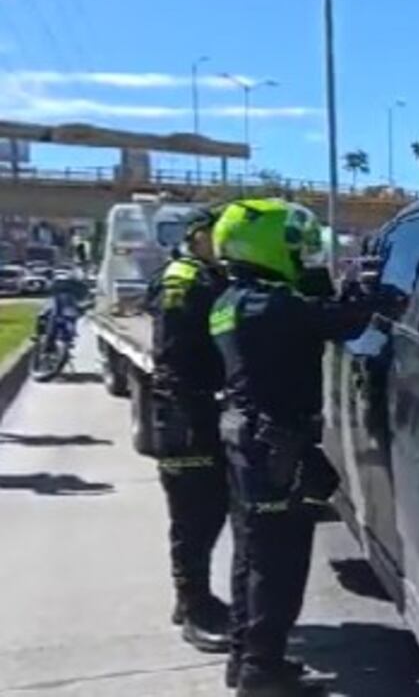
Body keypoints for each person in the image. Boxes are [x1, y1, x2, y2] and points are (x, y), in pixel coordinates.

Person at [211, 199, 372, 696]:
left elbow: (303, 315)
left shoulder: (233, 300)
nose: (303, 255)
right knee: (277, 564)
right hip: (273, 445)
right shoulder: (271, 305)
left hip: (247, 440)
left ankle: (246, 659)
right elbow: (345, 322)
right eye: (294, 247)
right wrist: (369, 290)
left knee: (250, 557)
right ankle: (263, 672)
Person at [145, 206, 231, 654]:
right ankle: (193, 606)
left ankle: (194, 596)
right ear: (197, 236)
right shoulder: (184, 280)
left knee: (211, 509)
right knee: (193, 515)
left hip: (197, 408)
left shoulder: (208, 275)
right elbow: (176, 353)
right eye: (217, 234)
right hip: (184, 412)